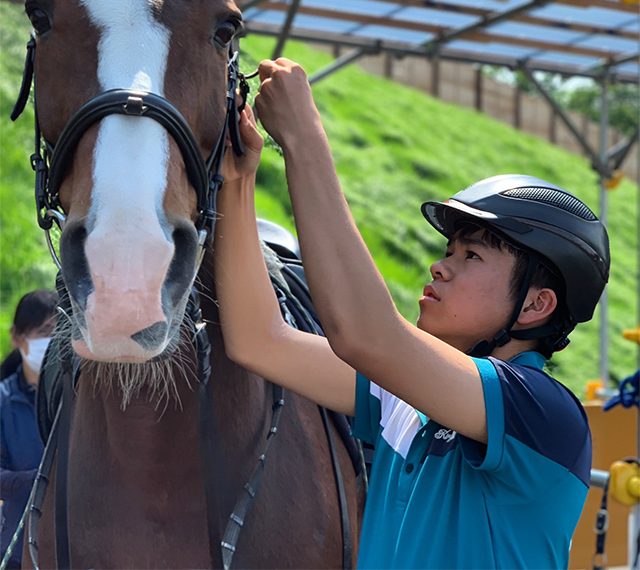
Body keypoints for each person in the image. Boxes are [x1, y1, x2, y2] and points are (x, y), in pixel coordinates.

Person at [214, 58, 610, 570]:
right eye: (449, 251)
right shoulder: (411, 402)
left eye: (471, 256)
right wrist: (238, 178)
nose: (440, 267)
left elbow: (366, 335)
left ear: (535, 304)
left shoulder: (540, 412)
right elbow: (258, 339)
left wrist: (303, 137)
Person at [1, 289, 57, 570]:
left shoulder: (79, 399)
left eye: (59, 334)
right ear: (17, 338)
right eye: (44, 332)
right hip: (16, 551)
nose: (52, 343)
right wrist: (40, 479)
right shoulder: (2, 401)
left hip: (71, 550)